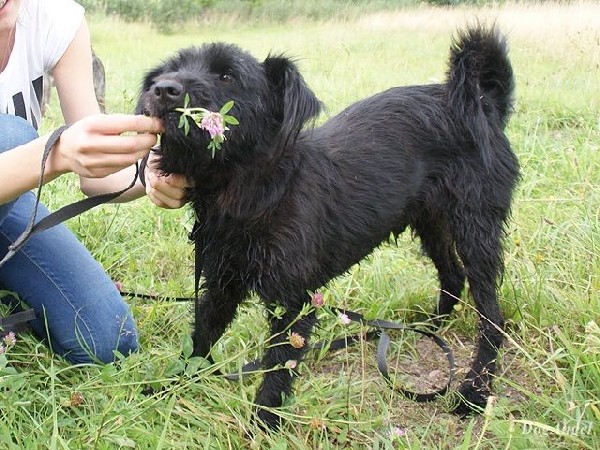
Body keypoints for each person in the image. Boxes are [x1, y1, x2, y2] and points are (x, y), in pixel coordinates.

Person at [0, 0, 190, 363]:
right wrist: (54, 155)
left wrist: (149, 171)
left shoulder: (54, 19)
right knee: (10, 135)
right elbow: (60, 152)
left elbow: (95, 175)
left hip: (9, 199)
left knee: (106, 338)